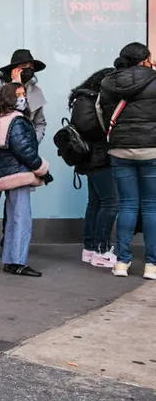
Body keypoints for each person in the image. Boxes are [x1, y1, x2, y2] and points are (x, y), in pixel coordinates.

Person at [0, 49, 47, 259]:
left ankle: (8, 243)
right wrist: (14, 85)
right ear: (13, 69)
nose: (28, 72)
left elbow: (39, 122)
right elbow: (3, 112)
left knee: (15, 203)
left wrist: (29, 141)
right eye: (23, 68)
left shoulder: (35, 92)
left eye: (31, 68)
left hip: (21, 155)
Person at [99, 42, 156, 279]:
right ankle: (152, 265)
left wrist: (113, 139)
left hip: (120, 151)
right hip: (152, 150)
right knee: (152, 206)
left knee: (128, 205)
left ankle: (122, 262)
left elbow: (101, 114)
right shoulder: (154, 80)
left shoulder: (109, 82)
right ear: (144, 59)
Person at [0, 83, 51, 277]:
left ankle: (10, 260)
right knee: (21, 219)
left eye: (23, 94)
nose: (22, 98)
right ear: (9, 98)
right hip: (20, 173)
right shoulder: (17, 121)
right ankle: (18, 261)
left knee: (13, 218)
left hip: (8, 174)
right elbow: (25, 150)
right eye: (18, 94)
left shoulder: (1, 118)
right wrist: (42, 169)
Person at [68, 68, 118, 268]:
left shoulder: (82, 98)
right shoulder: (91, 100)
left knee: (95, 202)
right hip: (99, 158)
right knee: (111, 202)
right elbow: (91, 128)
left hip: (91, 158)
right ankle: (101, 250)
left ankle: (90, 248)